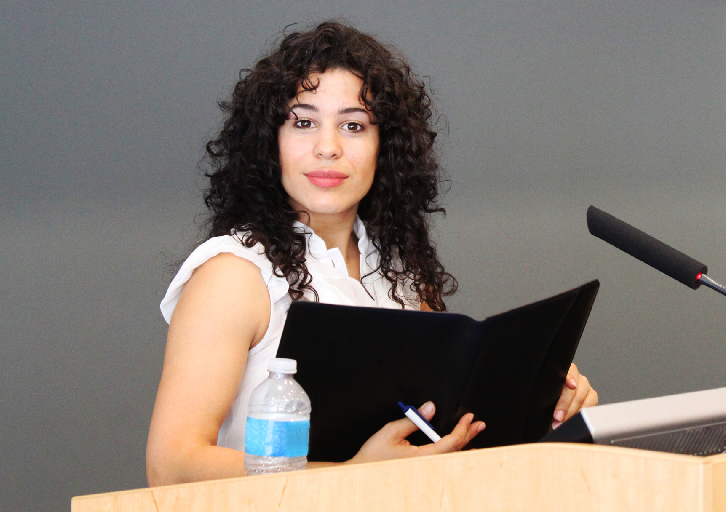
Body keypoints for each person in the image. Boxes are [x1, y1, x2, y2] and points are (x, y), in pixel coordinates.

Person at [145, 21, 598, 486]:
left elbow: (439, 438)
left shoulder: (401, 274)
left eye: (353, 126)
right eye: (303, 122)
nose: (328, 148)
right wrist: (350, 476)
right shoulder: (235, 272)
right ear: (268, 143)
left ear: (385, 148)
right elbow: (171, 465)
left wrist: (544, 403)